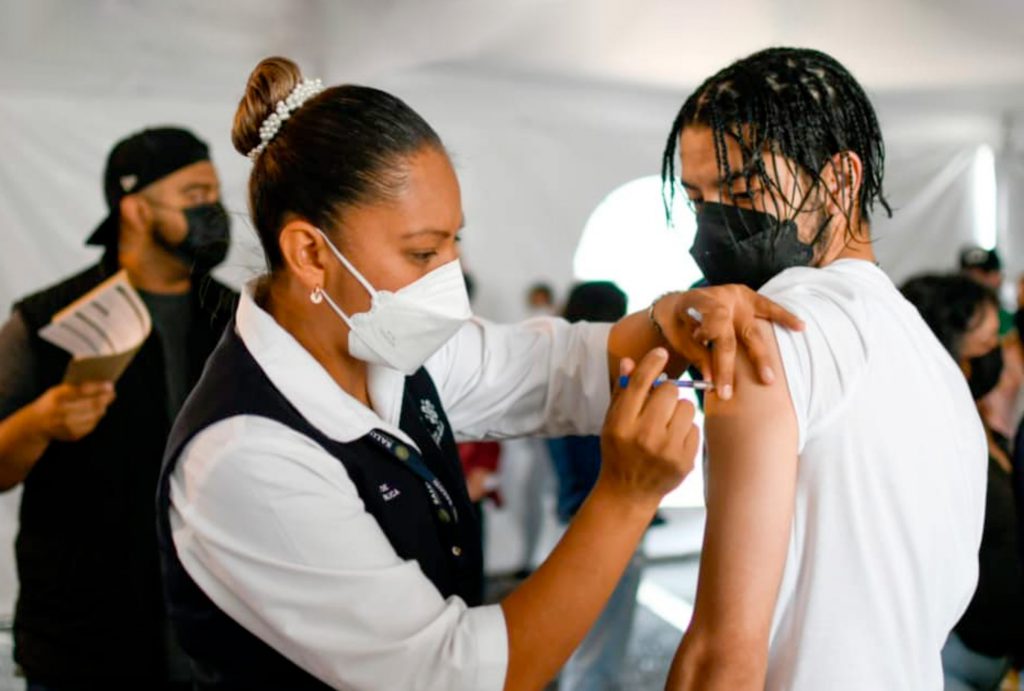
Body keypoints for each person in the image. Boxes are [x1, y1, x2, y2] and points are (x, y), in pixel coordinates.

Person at [155, 56, 802, 691]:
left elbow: (553, 368)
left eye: (453, 242)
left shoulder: (387, 346)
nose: (449, 276)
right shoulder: (246, 457)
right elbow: (451, 675)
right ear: (310, 254)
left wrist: (671, 320)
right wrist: (626, 495)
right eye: (422, 251)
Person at [661, 47, 987, 691]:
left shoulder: (765, 335)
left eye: (744, 189)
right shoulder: (928, 353)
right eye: (698, 197)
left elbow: (721, 658)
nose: (714, 222)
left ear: (839, 179)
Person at [0, 127, 237, 689]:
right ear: (134, 207)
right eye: (194, 195)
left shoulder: (242, 318)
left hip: (222, 637)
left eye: (215, 194)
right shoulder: (45, 321)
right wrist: (40, 422)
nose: (215, 210)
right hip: (83, 646)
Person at [902, 273, 1024, 691]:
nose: (1002, 356)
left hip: (994, 655)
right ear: (950, 351)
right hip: (951, 656)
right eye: (989, 345)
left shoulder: (988, 429)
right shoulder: (928, 438)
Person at [545, 280, 644, 691]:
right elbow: (602, 462)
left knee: (584, 636)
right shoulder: (597, 385)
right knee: (600, 646)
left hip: (576, 509)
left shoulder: (562, 373)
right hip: (601, 516)